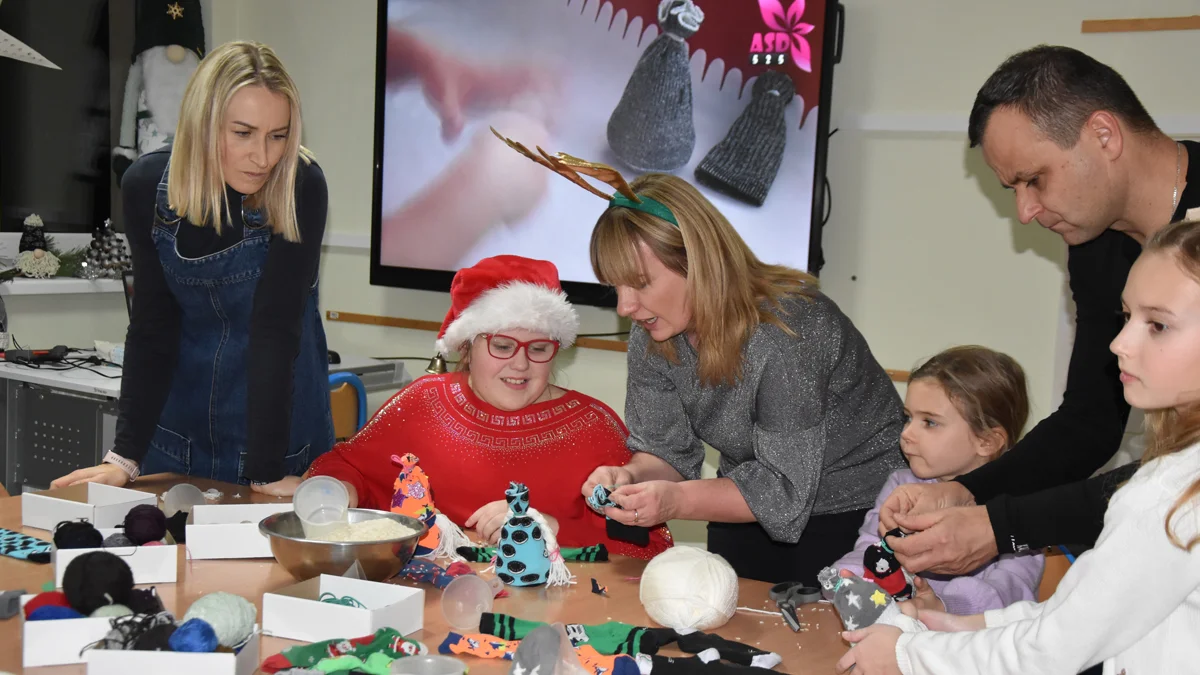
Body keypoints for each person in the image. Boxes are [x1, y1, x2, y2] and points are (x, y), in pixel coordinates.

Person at [878, 45, 1200, 577]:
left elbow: (1180, 480)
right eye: (1013, 189)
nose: (1025, 212)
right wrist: (963, 492)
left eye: (1034, 180)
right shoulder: (1097, 241)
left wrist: (1001, 526)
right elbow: (1091, 420)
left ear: (1104, 135)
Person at [837, 218, 1200, 675]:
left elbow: (1053, 649)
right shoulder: (1169, 478)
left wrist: (907, 656)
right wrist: (954, 626)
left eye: (1159, 325)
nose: (1119, 343)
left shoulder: (1170, 497)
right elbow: (1066, 617)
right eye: (1126, 317)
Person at [582, 172, 907, 583]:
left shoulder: (789, 329)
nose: (625, 306)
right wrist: (631, 477)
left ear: (698, 262)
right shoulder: (652, 331)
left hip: (860, 519)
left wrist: (674, 502)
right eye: (615, 287)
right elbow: (665, 453)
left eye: (641, 284)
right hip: (746, 500)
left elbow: (782, 487)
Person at [51, 41, 333, 491]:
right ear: (203, 125)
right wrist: (124, 456)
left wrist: (265, 471)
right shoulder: (146, 185)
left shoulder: (300, 185)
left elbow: (275, 330)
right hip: (176, 437)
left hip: (277, 440)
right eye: (243, 133)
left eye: (277, 135)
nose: (263, 157)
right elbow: (152, 327)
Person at [290, 255, 672, 560]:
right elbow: (346, 465)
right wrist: (336, 491)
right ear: (467, 346)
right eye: (503, 346)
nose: (520, 364)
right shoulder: (422, 403)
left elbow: (649, 548)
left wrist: (548, 529)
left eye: (538, 349)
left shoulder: (593, 428)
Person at [829, 346, 1043, 615]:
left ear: (986, 441)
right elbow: (871, 550)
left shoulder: (1019, 504)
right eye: (908, 418)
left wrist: (944, 606)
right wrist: (849, 577)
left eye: (929, 422)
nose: (907, 434)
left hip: (978, 642)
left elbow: (1011, 589)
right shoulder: (902, 485)